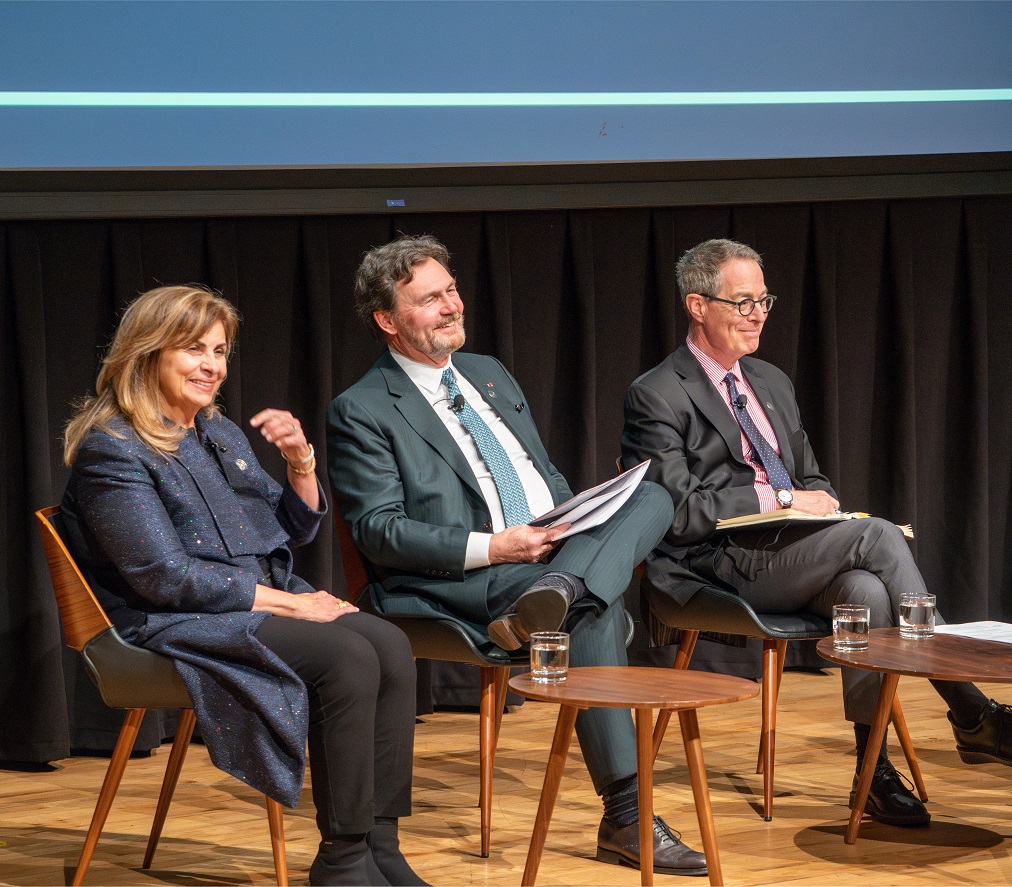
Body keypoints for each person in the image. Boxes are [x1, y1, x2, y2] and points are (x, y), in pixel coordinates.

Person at [326, 234, 707, 877]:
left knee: (653, 496)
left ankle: (564, 586)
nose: (451, 306)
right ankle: (627, 815)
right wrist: (494, 547)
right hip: (458, 577)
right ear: (387, 321)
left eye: (451, 290)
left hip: (547, 552)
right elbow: (380, 533)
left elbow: (542, 475)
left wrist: (580, 515)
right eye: (428, 300)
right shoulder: (362, 409)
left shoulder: (489, 372)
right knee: (595, 614)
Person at [620, 238, 1012, 828]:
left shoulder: (771, 381)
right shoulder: (657, 392)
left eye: (764, 302)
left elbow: (809, 475)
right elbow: (676, 512)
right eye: (743, 302)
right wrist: (778, 498)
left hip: (793, 551)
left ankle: (872, 770)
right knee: (879, 537)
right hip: (720, 561)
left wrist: (816, 499)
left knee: (866, 593)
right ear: (697, 306)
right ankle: (971, 711)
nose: (758, 316)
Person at [61, 285, 425, 887]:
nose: (212, 366)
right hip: (163, 623)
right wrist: (293, 603)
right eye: (193, 349)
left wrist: (300, 462)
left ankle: (379, 846)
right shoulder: (114, 450)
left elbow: (287, 529)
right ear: (148, 353)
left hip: (239, 603)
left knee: (388, 644)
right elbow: (165, 578)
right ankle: (342, 857)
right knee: (345, 656)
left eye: (220, 351)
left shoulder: (217, 433)